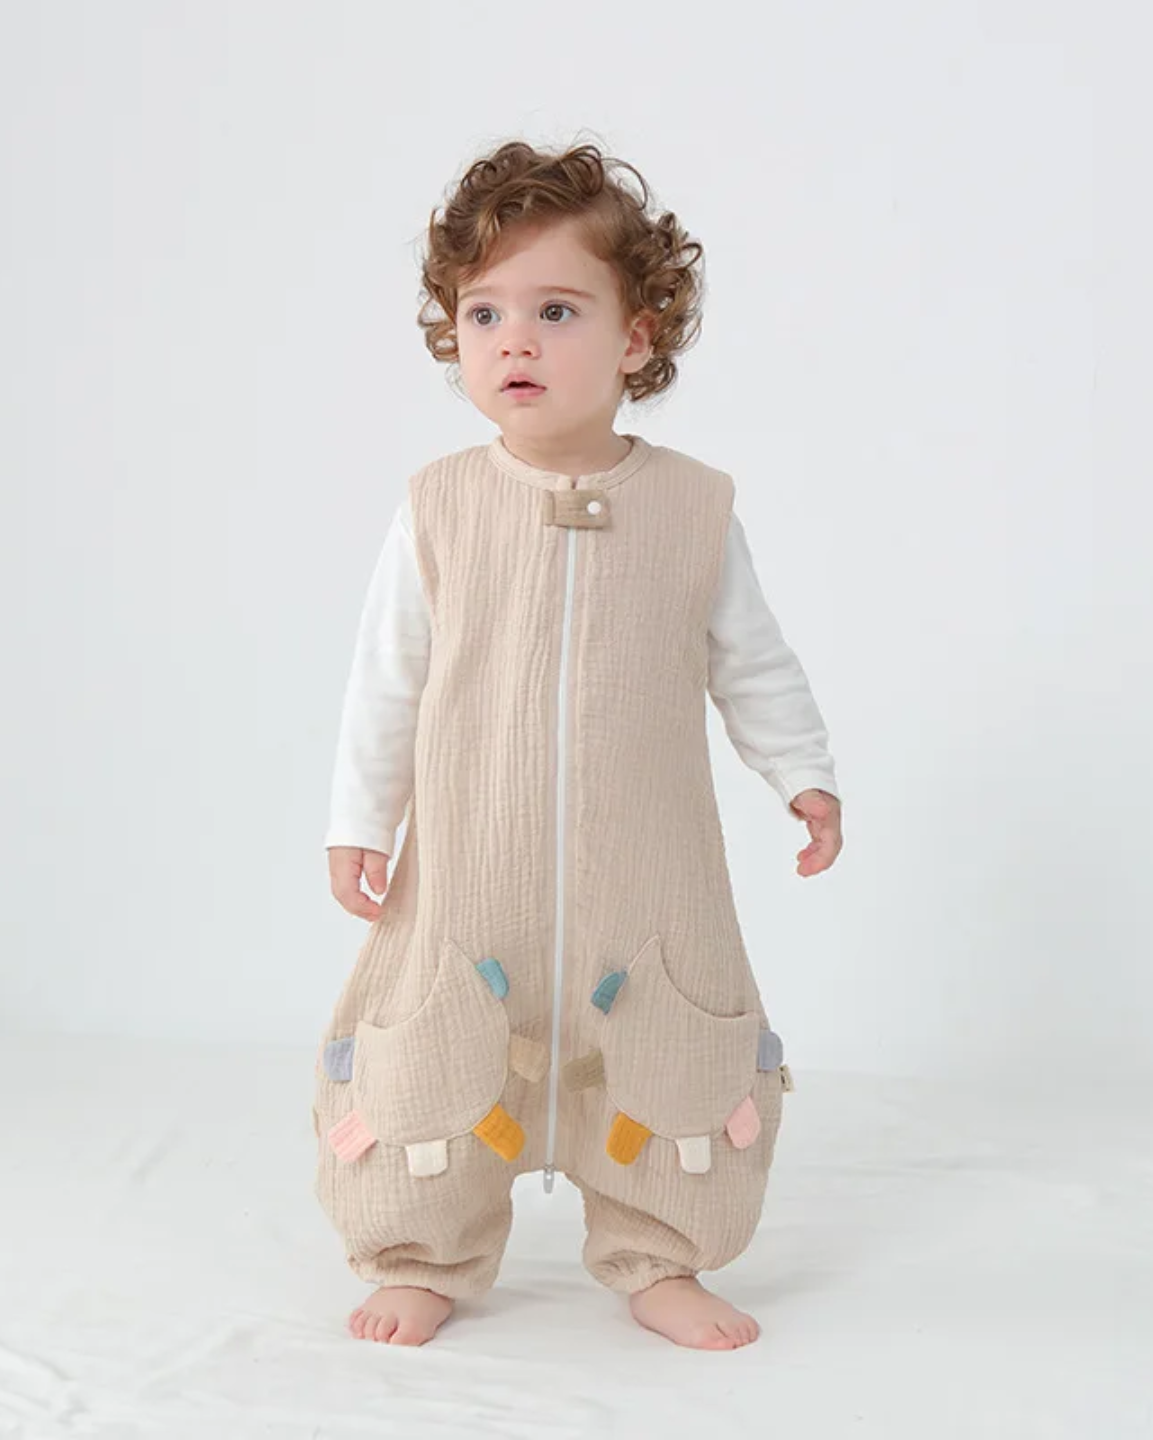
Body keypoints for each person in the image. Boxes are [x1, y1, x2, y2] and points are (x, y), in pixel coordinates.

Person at [312, 139, 844, 1350]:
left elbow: (752, 661)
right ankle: (423, 1252)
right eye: (484, 313)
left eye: (556, 311)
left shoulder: (694, 508)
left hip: (647, 877)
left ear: (636, 339)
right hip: (471, 873)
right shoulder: (440, 507)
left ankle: (660, 1253)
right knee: (440, 1050)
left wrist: (803, 775)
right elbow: (386, 682)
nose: (516, 341)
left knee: (665, 1047)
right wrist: (357, 821)